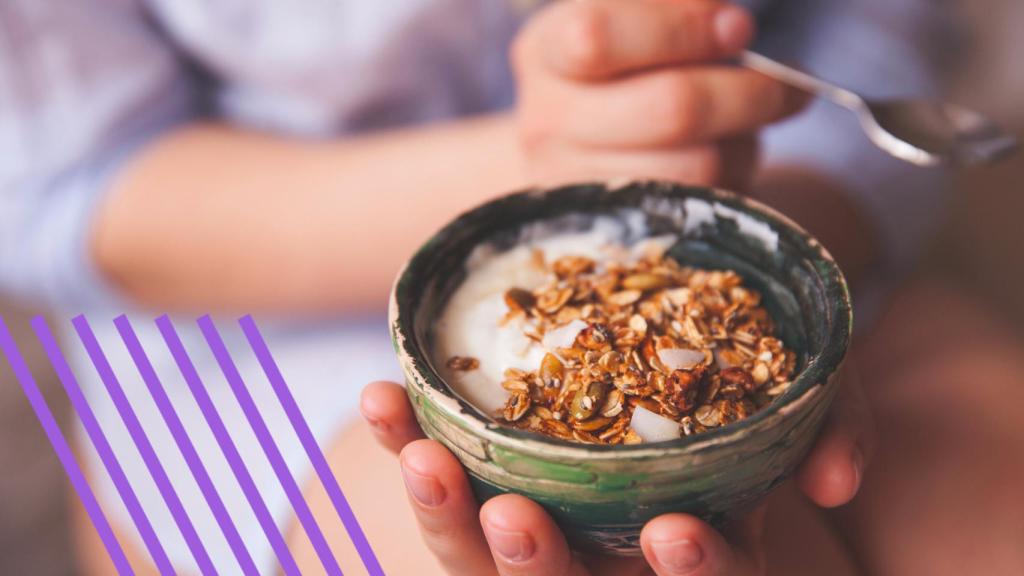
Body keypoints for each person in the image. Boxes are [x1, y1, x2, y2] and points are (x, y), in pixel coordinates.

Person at [5, 0, 1023, 575]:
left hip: (769, 190)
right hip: (247, 300)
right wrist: (531, 164)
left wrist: (773, 250)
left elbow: (881, 34)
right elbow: (72, 190)